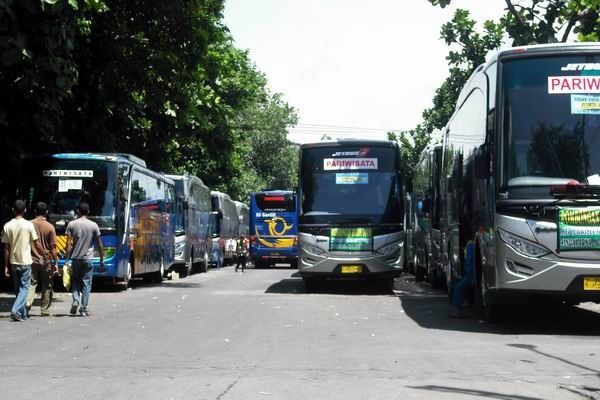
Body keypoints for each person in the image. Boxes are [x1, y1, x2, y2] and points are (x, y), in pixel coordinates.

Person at [2, 200, 44, 321]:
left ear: (13, 210)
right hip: (26, 261)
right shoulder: (29, 225)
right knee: (25, 288)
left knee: (18, 290)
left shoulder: (7, 225)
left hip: (13, 262)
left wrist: (5, 266)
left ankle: (22, 315)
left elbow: (6, 248)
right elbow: (36, 244)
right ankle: (15, 311)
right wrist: (44, 256)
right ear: (25, 210)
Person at [65, 202, 104, 317]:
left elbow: (68, 244)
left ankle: (75, 300)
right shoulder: (94, 225)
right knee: (86, 283)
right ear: (88, 212)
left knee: (75, 281)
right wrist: (101, 257)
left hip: (76, 258)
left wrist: (67, 259)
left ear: (78, 211)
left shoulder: (71, 224)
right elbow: (99, 244)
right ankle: (83, 309)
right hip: (88, 259)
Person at [26, 202, 59, 316]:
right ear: (46, 212)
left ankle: (28, 302)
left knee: (31, 283)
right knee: (47, 285)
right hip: (46, 261)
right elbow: (53, 247)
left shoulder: (28, 224)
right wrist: (55, 262)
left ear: (35, 212)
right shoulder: (50, 227)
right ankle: (44, 309)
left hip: (31, 259)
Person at [449, 241, 475, 318]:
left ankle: (457, 311)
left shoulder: (470, 246)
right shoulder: (471, 246)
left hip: (470, 275)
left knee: (458, 288)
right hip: (470, 274)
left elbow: (469, 264)